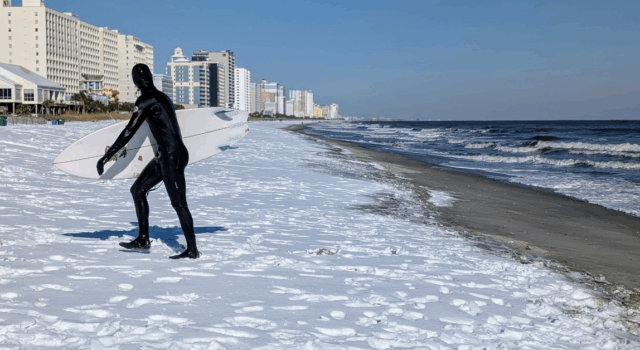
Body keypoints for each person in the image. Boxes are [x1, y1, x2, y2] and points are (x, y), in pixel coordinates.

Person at [97, 63, 199, 259]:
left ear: (136, 81)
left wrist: (107, 156)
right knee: (138, 189)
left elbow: (129, 130)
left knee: (179, 203)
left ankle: (192, 249)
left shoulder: (146, 100)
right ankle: (143, 239)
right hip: (165, 155)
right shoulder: (163, 96)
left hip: (172, 156)